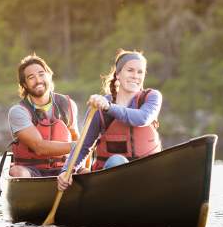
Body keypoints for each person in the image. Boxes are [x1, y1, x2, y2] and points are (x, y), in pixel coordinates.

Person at [57, 49, 162, 191]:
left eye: (140, 72)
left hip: (146, 175)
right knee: (118, 161)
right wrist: (66, 171)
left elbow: (143, 118)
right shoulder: (99, 107)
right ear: (118, 74)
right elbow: (83, 146)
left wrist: (109, 107)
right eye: (130, 70)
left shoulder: (152, 97)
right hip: (109, 180)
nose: (135, 76)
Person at [8, 54, 79, 177]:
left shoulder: (68, 105)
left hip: (64, 170)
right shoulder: (18, 112)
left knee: (85, 171)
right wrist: (77, 146)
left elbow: (76, 137)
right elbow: (39, 147)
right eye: (31, 77)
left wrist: (83, 168)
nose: (38, 80)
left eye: (41, 74)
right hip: (31, 170)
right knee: (17, 172)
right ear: (24, 84)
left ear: (49, 76)